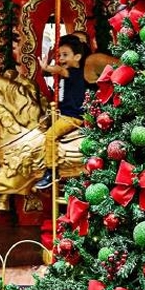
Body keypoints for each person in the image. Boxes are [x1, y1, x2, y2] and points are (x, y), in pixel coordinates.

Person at [35, 34, 89, 189]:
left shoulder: (73, 72)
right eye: (60, 55)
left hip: (72, 116)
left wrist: (47, 67)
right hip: (63, 113)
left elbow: (58, 69)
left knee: (50, 135)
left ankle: (51, 170)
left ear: (77, 57)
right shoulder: (68, 72)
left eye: (65, 55)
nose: (61, 59)